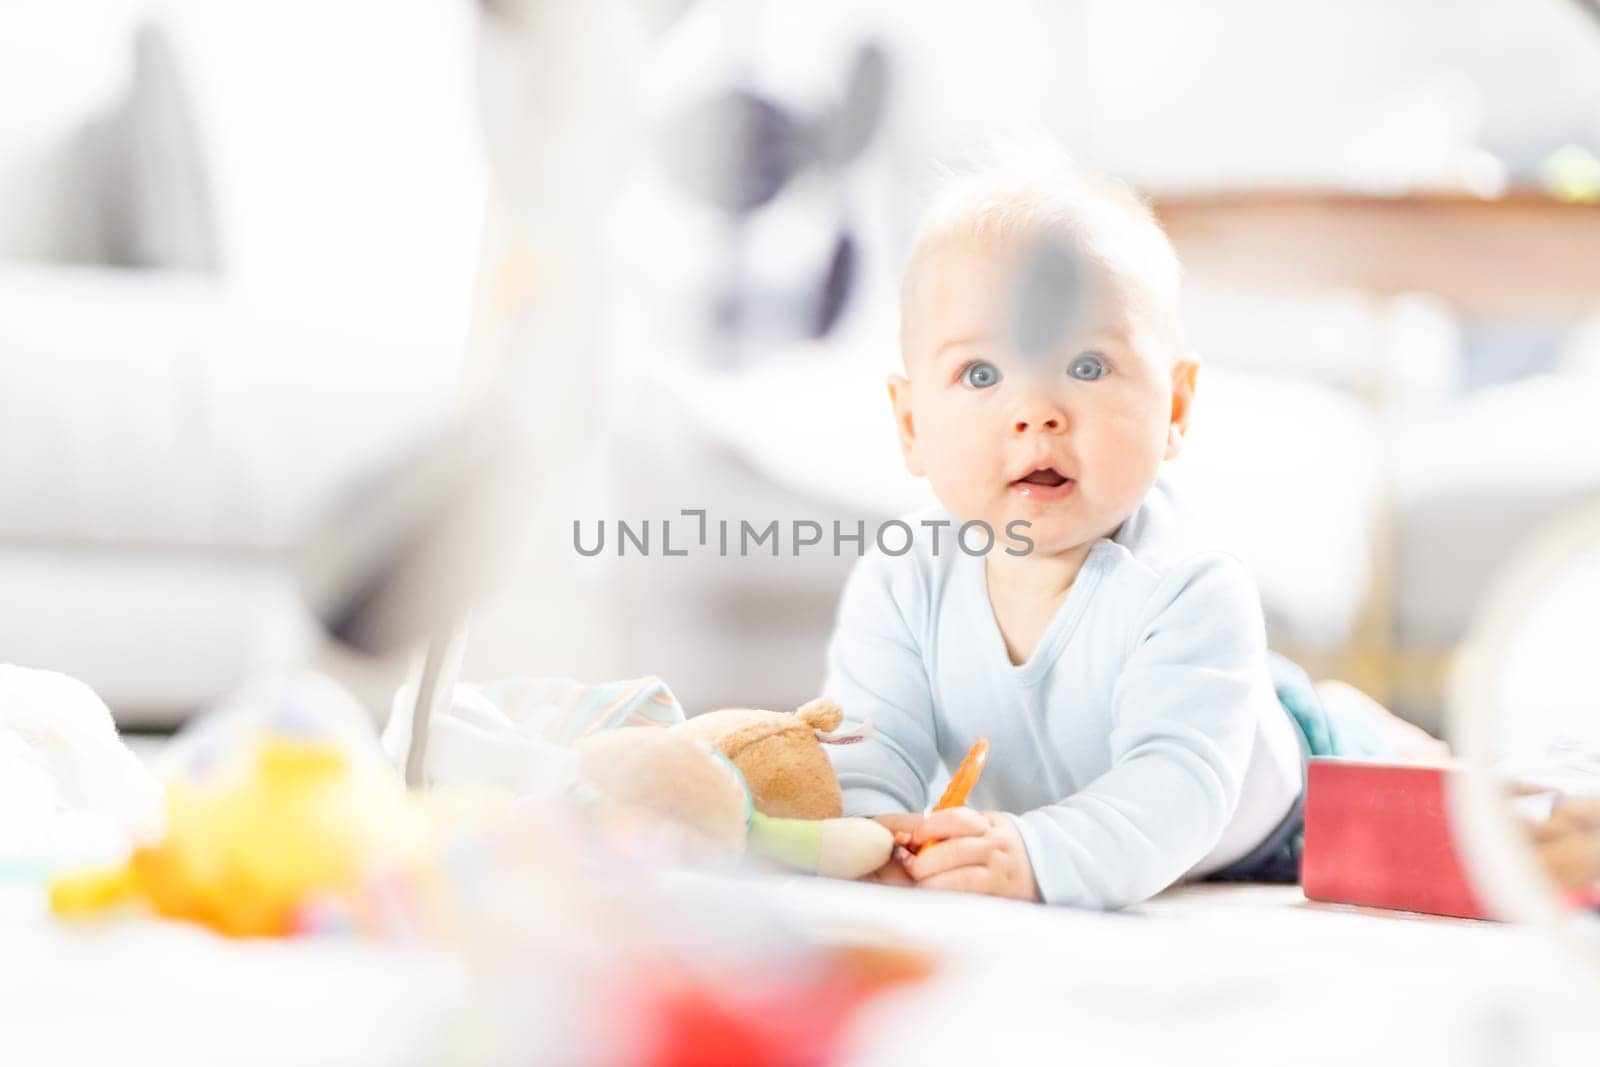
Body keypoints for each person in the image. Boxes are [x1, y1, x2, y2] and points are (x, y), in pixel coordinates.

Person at [821, 145, 1442, 909]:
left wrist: (1039, 854)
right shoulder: (903, 579)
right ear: (910, 423)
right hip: (1148, 758)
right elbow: (869, 746)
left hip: (1278, 806)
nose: (1036, 410)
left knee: (1446, 819)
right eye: (980, 374)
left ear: (1175, 409)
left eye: (1087, 365)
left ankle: (1364, 728)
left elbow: (1176, 787)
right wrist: (870, 836)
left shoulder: (1189, 584)